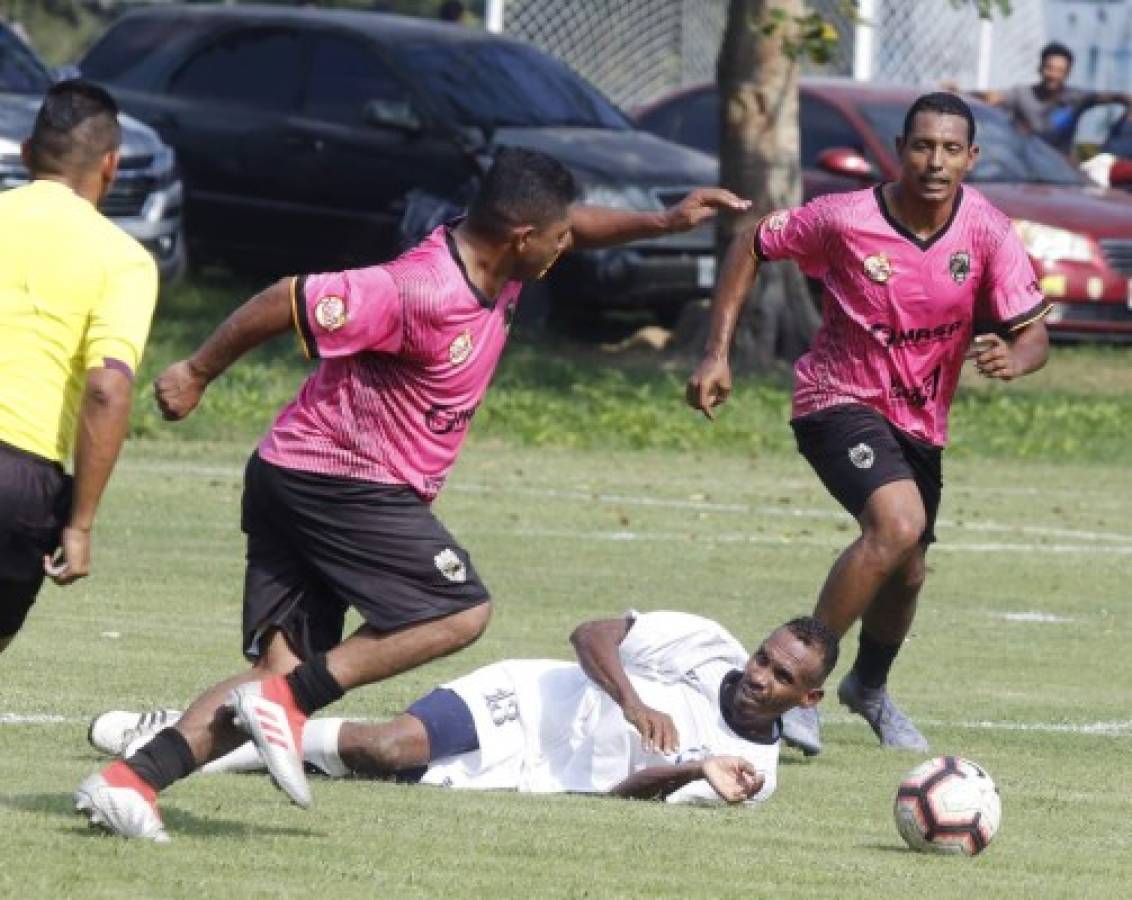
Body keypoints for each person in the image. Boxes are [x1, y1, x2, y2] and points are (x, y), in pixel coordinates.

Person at [74, 146, 749, 841]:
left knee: (277, 674)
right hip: (336, 480)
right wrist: (196, 369)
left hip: (300, 474)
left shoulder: (504, 255)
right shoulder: (417, 288)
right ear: (522, 237)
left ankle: (130, 781)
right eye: (556, 238)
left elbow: (578, 222)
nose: (566, 245)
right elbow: (289, 297)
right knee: (459, 611)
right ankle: (284, 703)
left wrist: (665, 222)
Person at [686, 93, 1050, 757]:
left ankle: (870, 689)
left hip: (921, 424)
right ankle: (799, 684)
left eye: (949, 149)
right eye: (921, 146)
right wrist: (716, 353)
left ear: (971, 158)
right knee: (897, 525)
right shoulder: (846, 217)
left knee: (907, 568)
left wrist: (1016, 357)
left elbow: (1035, 334)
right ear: (899, 150)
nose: (934, 161)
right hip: (836, 399)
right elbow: (752, 241)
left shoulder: (988, 231)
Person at [88, 610, 839, 814]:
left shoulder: (752, 775)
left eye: (779, 678)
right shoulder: (708, 645)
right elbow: (592, 634)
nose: (756, 674)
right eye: (763, 658)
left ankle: (217, 734)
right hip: (523, 701)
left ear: (808, 701)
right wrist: (632, 699)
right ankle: (182, 736)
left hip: (537, 775)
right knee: (389, 747)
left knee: (369, 772)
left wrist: (690, 768)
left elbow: (620, 796)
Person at [0, 80, 158, 655]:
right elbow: (106, 390)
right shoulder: (122, 260)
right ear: (110, 166)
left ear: (24, 153)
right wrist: (80, 524)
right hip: (18, 479)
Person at [974, 42, 1132, 156]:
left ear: (1067, 73)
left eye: (1060, 71)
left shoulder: (1076, 98)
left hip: (1062, 171)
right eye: (1049, 68)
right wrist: (959, 92)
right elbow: (991, 97)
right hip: (1025, 168)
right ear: (1040, 68)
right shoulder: (1021, 94)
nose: (1053, 75)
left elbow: (1115, 97)